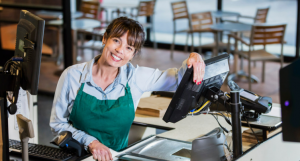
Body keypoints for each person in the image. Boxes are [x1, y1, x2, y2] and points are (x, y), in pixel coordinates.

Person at [50, 17, 205, 161]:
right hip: (75, 156)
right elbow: (58, 124)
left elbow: (179, 80)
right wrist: (91, 142)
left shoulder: (136, 77)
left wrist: (195, 57)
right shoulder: (72, 75)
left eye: (129, 47)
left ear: (133, 54)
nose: (120, 50)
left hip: (116, 157)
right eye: (116, 40)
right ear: (105, 38)